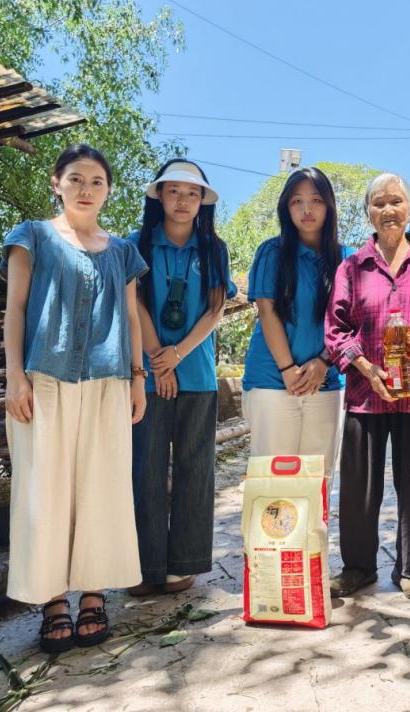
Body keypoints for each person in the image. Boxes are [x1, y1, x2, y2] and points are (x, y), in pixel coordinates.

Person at [2, 144, 147, 653]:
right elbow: (15, 309)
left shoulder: (123, 251)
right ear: (56, 182)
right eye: (76, 179)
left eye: (97, 181)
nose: (86, 189)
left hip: (109, 382)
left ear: (109, 190)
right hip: (45, 379)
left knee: (102, 489)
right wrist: (14, 376)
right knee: (45, 491)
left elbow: (132, 320)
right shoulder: (32, 236)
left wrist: (138, 377)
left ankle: (93, 593)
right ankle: (52, 601)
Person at [325, 173, 410, 603]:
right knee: (359, 486)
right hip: (367, 392)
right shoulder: (351, 268)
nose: (388, 210)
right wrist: (365, 368)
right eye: (379, 203)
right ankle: (358, 568)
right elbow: (335, 329)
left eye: (396, 201)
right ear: (368, 212)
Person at [127, 159, 236, 596]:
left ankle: (184, 563)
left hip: (197, 374)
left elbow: (215, 310)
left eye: (193, 193)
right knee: (145, 468)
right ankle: (144, 565)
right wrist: (159, 359)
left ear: (203, 201)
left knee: (195, 468)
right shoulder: (136, 244)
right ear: (159, 195)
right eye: (173, 190)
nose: (183, 200)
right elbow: (135, 304)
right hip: (145, 376)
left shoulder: (213, 249)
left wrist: (176, 356)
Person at [241, 167, 354, 477]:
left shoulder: (349, 259)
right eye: (297, 201)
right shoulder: (272, 252)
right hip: (272, 381)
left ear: (329, 206)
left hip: (326, 382)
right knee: (273, 482)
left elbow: (352, 322)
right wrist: (288, 369)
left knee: (317, 480)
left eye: (316, 200)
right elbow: (267, 312)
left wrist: (324, 362)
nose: (307, 209)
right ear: (286, 208)